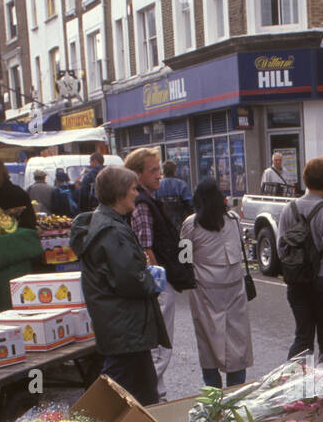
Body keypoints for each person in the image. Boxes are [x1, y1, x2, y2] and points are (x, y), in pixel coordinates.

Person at [71, 166, 169, 406]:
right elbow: (129, 279)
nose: (137, 193)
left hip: (123, 325)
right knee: (116, 391)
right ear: (120, 193)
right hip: (125, 326)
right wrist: (152, 280)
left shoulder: (107, 224)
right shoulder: (113, 231)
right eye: (133, 188)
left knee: (144, 390)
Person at [125, 146, 190, 402]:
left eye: (159, 170)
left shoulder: (148, 199)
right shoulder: (142, 203)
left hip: (158, 282)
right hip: (157, 284)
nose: (158, 175)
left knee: (160, 346)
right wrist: (158, 285)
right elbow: (145, 247)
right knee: (160, 346)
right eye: (153, 171)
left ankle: (156, 395)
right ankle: (153, 397)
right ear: (137, 175)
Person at [180, 178, 254, 389]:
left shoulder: (190, 224)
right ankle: (235, 392)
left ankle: (213, 395)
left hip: (204, 291)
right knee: (237, 343)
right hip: (234, 291)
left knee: (207, 343)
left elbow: (184, 258)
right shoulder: (232, 220)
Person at [277, 157, 323, 364]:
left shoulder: (289, 209)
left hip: (296, 281)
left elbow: (281, 247)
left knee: (302, 336)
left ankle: (295, 387)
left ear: (304, 179)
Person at [157, 160, 194, 226]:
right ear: (175, 171)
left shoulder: (157, 185)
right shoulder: (182, 185)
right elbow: (190, 204)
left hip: (162, 224)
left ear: (163, 171)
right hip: (180, 223)